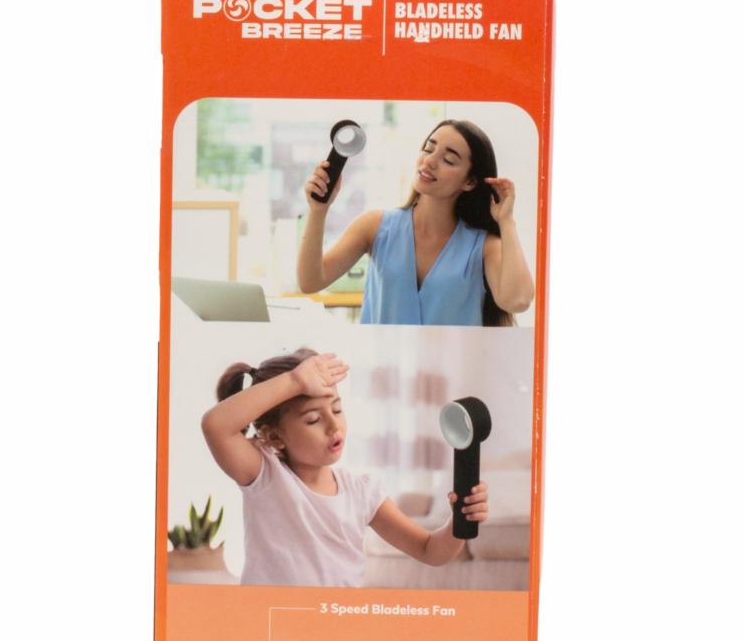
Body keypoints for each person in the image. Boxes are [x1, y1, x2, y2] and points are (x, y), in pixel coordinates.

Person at [200, 348, 488, 587]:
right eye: (313, 419)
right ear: (275, 436)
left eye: (337, 409)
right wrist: (295, 382)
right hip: (273, 621)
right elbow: (216, 425)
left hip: (335, 621)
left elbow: (430, 550)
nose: (333, 425)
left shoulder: (361, 491)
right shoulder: (265, 474)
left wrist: (459, 522)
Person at [296, 119, 535, 327]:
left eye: (448, 160)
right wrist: (318, 210)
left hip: (456, 368)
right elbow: (310, 281)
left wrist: (507, 222)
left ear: (470, 182)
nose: (429, 161)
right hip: (381, 366)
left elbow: (518, 300)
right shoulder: (374, 226)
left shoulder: (483, 247)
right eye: (428, 149)